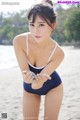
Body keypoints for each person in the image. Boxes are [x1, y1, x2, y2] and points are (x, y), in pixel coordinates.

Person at [13, 0, 64, 120]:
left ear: (53, 25)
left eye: (41, 25)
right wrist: (26, 76)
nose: (35, 31)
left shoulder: (58, 53)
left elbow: (37, 85)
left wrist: (36, 81)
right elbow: (25, 75)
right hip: (29, 88)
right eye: (32, 24)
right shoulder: (19, 42)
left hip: (53, 87)